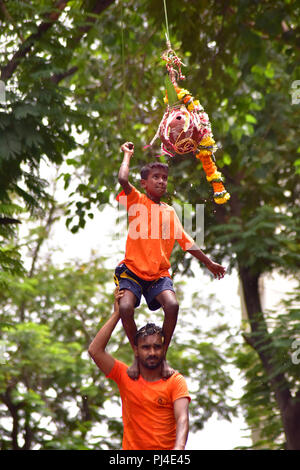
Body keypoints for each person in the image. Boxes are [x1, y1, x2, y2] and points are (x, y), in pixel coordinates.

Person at [115, 141, 226, 379]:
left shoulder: (169, 212)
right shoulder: (136, 200)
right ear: (144, 183)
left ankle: (163, 356)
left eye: (164, 178)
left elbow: (187, 241)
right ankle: (136, 355)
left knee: (173, 305)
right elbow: (123, 180)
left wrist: (209, 263)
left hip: (158, 275)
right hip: (133, 271)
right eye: (155, 177)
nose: (161, 181)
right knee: (125, 307)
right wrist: (127, 155)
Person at [88, 288, 190, 451]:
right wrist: (117, 314)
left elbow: (182, 418)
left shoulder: (175, 381)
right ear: (136, 350)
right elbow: (95, 351)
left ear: (163, 349)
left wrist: (179, 447)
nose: (152, 352)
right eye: (146, 347)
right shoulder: (125, 376)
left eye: (157, 347)